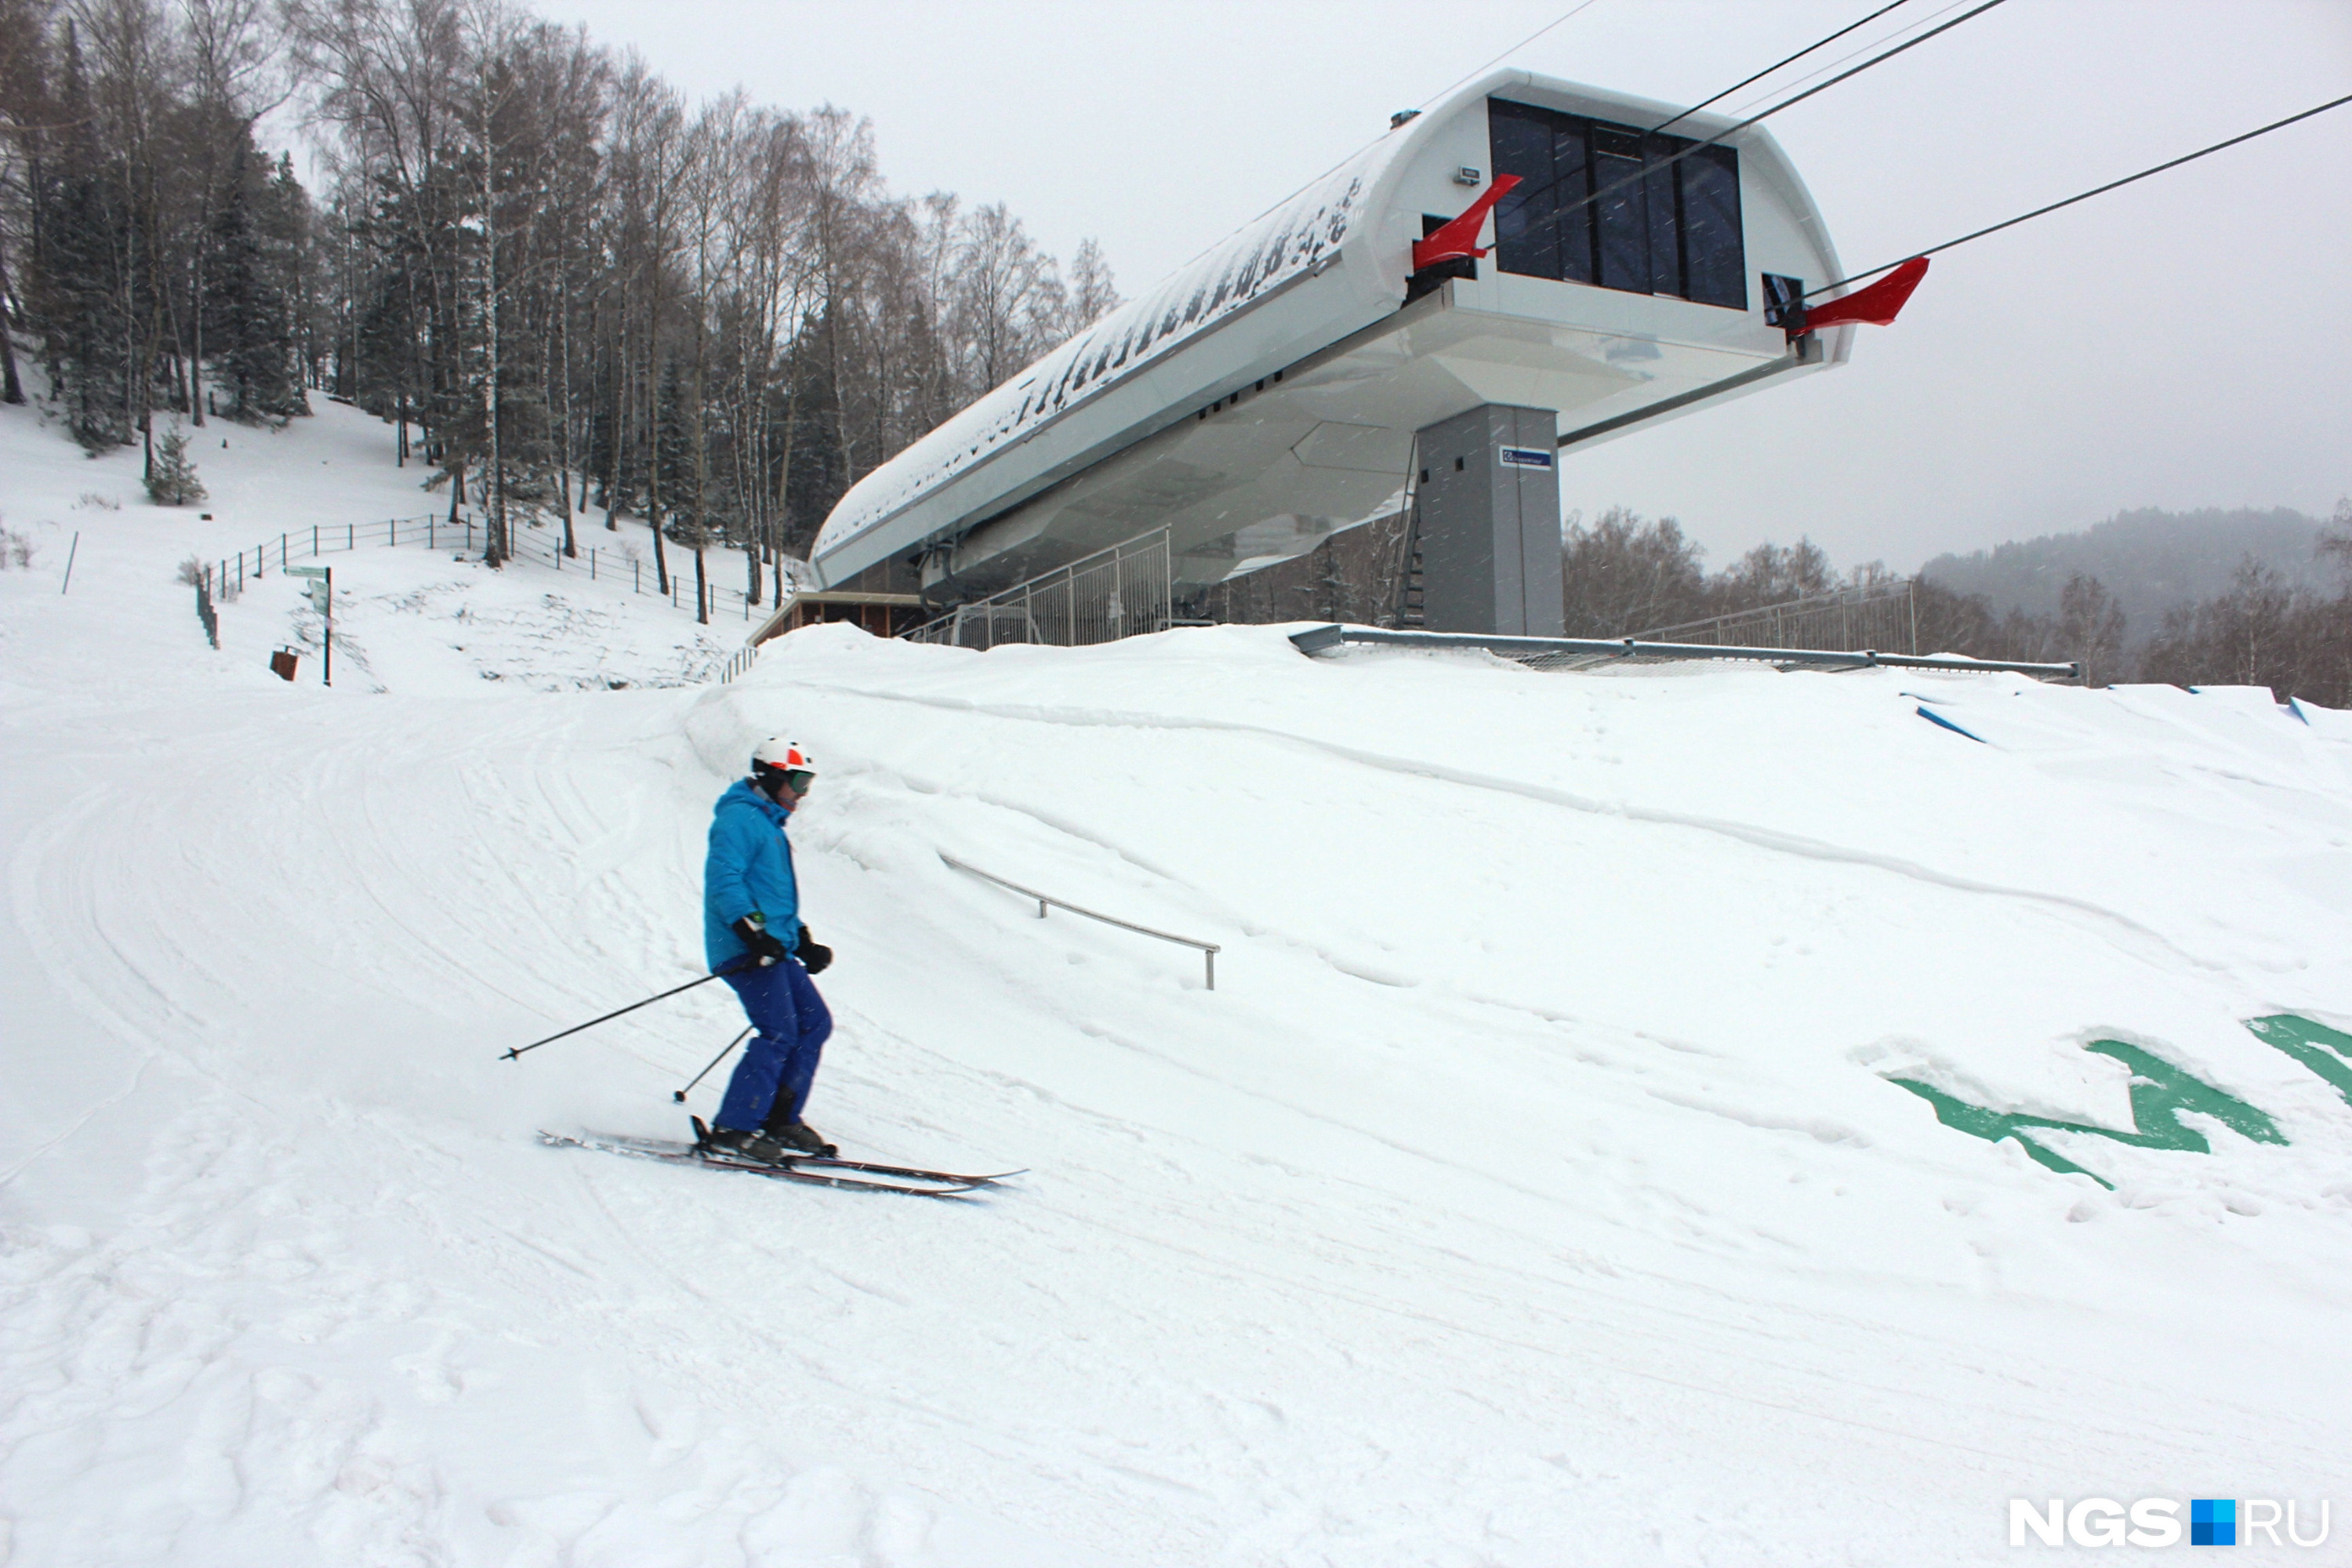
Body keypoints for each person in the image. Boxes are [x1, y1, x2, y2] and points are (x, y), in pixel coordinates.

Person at [701, 737, 837, 1162]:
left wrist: (803, 940)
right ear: (773, 775)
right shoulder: (739, 820)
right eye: (798, 781)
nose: (802, 793)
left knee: (814, 1024)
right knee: (779, 1031)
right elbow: (726, 884)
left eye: (808, 783)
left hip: (773, 951)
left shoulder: (768, 825)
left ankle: (779, 1119)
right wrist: (753, 934)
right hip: (746, 951)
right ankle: (733, 1128)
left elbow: (774, 902)